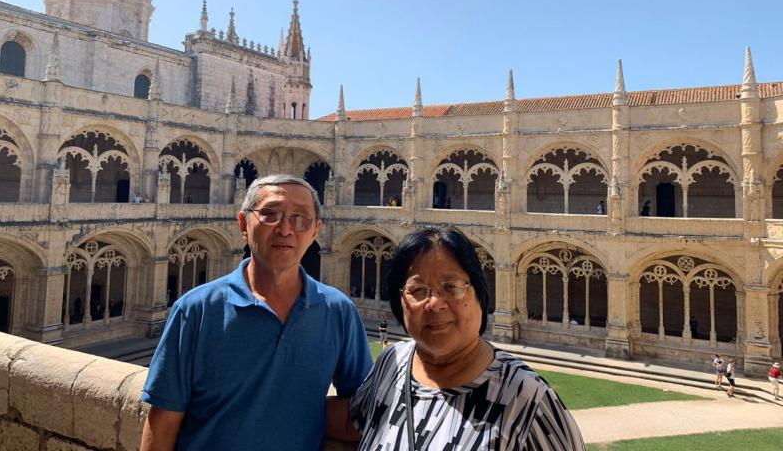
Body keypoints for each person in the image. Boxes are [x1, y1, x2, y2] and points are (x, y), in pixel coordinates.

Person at [141, 174, 372, 450]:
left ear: (316, 230)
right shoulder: (196, 310)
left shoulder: (339, 312)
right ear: (243, 224)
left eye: (300, 218)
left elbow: (363, 409)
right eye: (270, 214)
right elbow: (162, 423)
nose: (285, 229)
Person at [327, 226, 584, 450]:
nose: (435, 303)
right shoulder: (392, 363)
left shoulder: (529, 398)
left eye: (452, 287)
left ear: (480, 297)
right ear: (400, 302)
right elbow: (351, 423)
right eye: (417, 290)